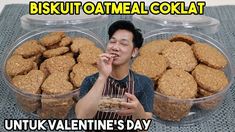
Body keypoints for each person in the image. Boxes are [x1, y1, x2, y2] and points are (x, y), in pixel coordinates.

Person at [75, 20, 154, 120]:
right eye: (112, 42)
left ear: (134, 52)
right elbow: (82, 117)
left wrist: (138, 110)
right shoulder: (90, 80)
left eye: (123, 44)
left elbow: (144, 127)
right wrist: (102, 76)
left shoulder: (144, 83)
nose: (115, 47)